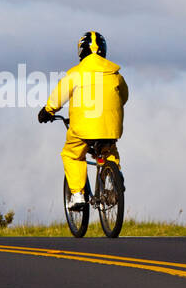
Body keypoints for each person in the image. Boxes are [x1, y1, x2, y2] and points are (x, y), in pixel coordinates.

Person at [38, 32, 129, 210]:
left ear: (81, 51)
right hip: (110, 127)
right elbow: (123, 97)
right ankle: (114, 180)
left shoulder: (76, 74)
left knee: (72, 154)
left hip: (83, 129)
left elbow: (58, 97)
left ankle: (78, 194)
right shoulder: (116, 73)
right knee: (109, 151)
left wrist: (48, 111)